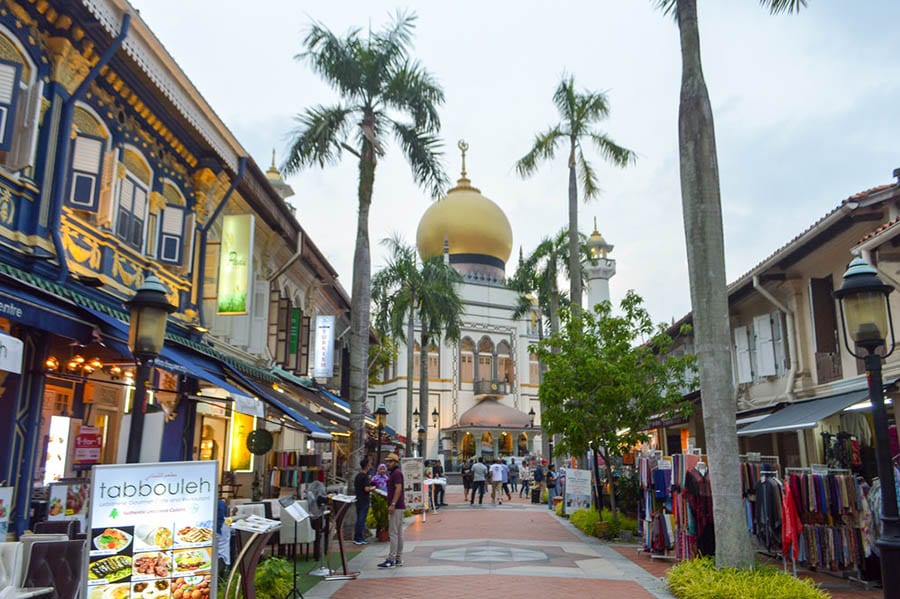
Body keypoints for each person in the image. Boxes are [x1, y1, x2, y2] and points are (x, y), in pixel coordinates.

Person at [378, 453, 405, 568]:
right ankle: (398, 558)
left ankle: (392, 558)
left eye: (390, 461)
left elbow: (398, 488)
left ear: (395, 462)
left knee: (393, 533)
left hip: (396, 506)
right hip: (398, 506)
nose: (388, 464)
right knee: (398, 533)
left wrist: (393, 503)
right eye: (387, 461)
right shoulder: (394, 473)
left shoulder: (396, 473)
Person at [353, 458, 374, 544]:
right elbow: (366, 489)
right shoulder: (365, 476)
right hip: (364, 500)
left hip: (358, 499)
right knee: (361, 519)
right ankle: (359, 538)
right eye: (369, 465)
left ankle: (357, 537)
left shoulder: (358, 476)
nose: (370, 466)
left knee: (359, 519)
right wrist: (373, 488)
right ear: (367, 466)